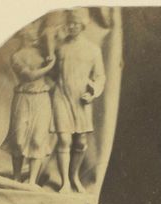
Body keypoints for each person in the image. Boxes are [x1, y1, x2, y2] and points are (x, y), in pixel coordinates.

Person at [51, 8, 106, 193]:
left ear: (83, 25)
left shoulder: (93, 50)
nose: (72, 26)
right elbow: (51, 73)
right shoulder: (59, 48)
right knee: (64, 139)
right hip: (61, 96)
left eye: (76, 23)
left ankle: (74, 177)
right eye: (69, 23)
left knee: (80, 142)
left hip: (81, 100)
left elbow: (100, 76)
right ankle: (64, 182)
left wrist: (93, 93)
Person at [1, 23, 55, 185]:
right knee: (18, 139)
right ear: (23, 32)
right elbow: (29, 75)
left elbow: (54, 76)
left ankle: (32, 181)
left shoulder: (43, 53)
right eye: (31, 29)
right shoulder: (16, 57)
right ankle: (17, 177)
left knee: (38, 138)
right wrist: (50, 65)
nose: (35, 32)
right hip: (23, 98)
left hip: (41, 98)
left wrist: (51, 57)